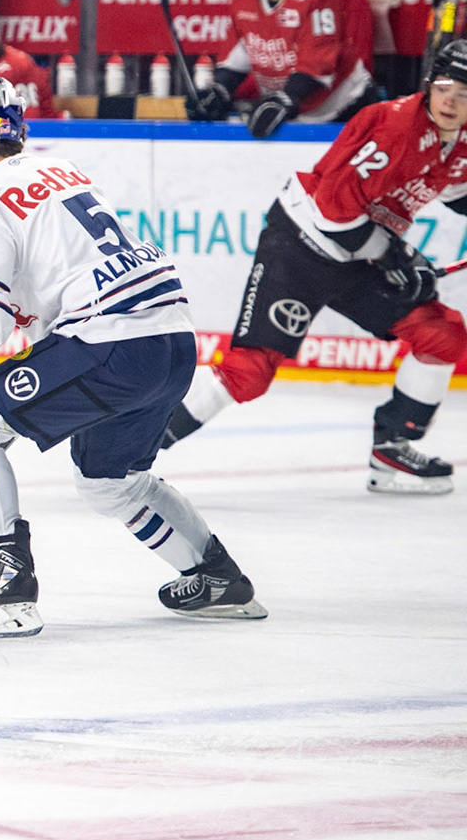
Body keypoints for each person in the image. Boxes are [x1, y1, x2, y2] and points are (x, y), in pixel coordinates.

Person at [0, 79, 264, 637]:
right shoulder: (63, 173)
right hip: (173, 343)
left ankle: (4, 573)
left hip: (108, 344)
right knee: (110, 480)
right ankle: (215, 577)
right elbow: (43, 306)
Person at [164, 40, 467, 497]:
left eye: (466, 94)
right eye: (446, 87)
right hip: (302, 245)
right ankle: (131, 444)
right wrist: (399, 257)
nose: (452, 101)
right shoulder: (396, 126)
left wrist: (395, 256)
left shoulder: (458, 140)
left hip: (361, 252)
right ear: (429, 84)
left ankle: (393, 447)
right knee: (250, 371)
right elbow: (332, 211)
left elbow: (454, 191)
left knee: (442, 334)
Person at [192, 0, 371, 138]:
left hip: (345, 104)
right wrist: (219, 90)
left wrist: (285, 98)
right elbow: (238, 56)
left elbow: (318, 64)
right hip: (296, 112)